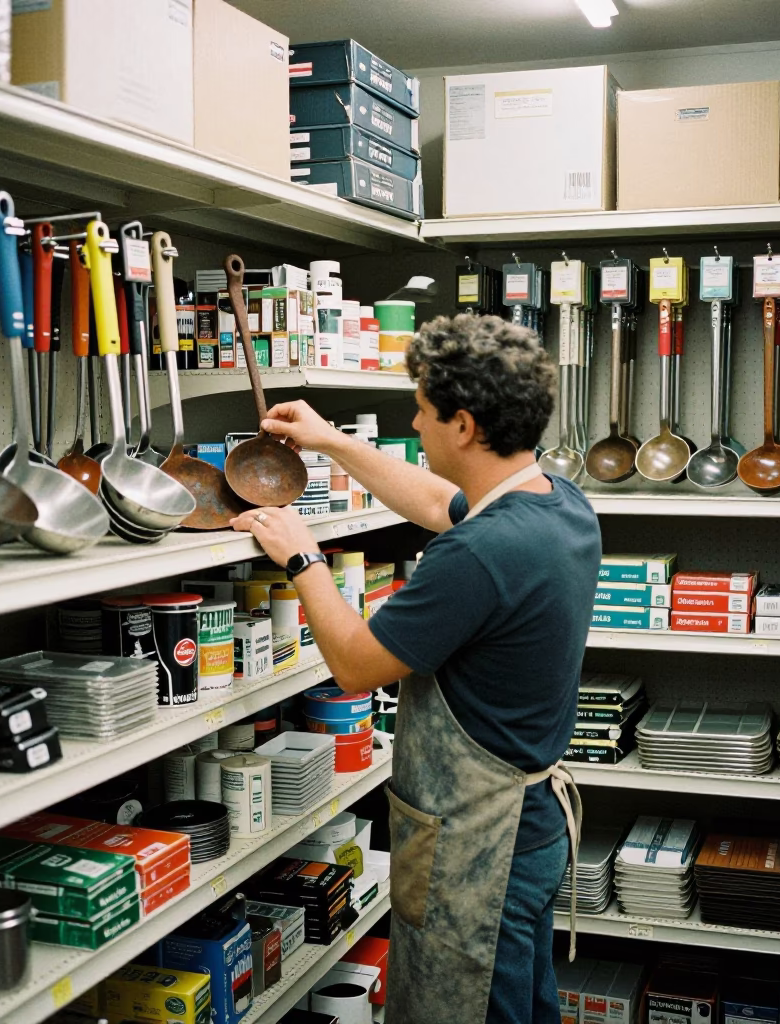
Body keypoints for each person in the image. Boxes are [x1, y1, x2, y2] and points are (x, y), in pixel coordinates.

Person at [230, 313, 601, 1024]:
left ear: (462, 426)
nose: (415, 422)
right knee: (520, 1004)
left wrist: (303, 556)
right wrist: (334, 442)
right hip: (531, 827)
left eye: (424, 410)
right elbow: (438, 502)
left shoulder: (478, 555)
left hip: (479, 845)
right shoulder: (558, 505)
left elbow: (354, 665)